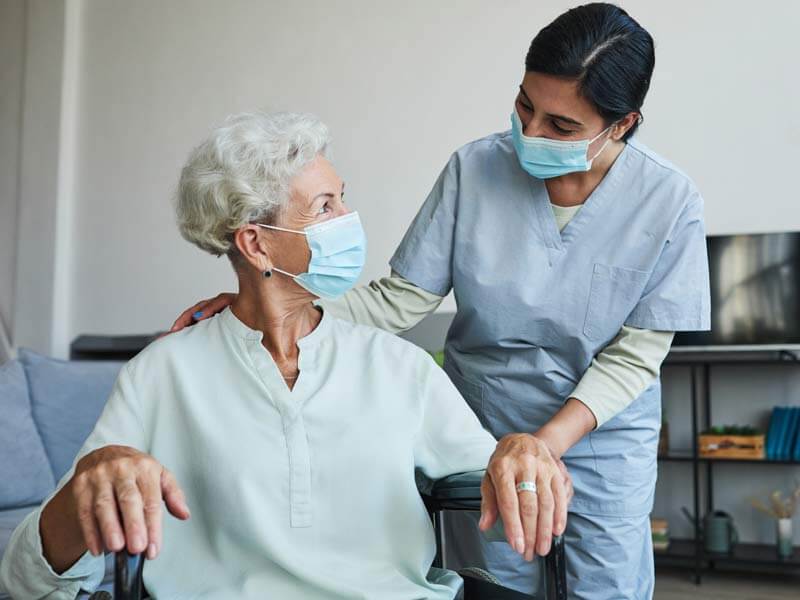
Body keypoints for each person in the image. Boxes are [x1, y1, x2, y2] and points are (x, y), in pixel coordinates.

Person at [170, 4, 711, 598]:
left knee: (605, 587)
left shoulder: (669, 199)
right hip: (487, 422)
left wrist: (542, 445)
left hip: (602, 438)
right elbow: (401, 299)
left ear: (623, 124)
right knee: (501, 585)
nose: (530, 134)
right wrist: (274, 304)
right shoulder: (475, 169)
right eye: (525, 106)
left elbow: (636, 354)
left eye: (560, 127)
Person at [0, 112, 571, 600]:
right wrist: (87, 485)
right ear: (255, 243)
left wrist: (520, 453)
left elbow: (507, 498)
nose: (348, 219)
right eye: (324, 206)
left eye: (343, 197)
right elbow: (24, 579)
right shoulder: (162, 372)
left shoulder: (398, 367)